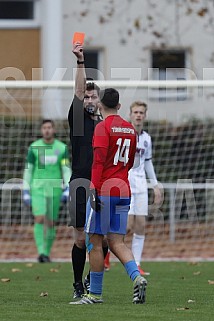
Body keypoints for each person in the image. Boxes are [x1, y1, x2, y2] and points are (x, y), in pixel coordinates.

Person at [71, 88, 147, 305]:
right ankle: (137, 276)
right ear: (120, 106)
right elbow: (131, 162)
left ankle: (94, 294)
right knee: (116, 241)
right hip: (123, 189)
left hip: (104, 190)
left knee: (93, 242)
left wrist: (93, 188)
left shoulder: (103, 127)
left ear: (101, 106)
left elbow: (98, 161)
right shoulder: (131, 130)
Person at [68, 41, 108, 299]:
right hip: (80, 183)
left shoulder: (106, 125)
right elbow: (79, 89)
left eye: (94, 96)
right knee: (81, 238)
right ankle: (77, 285)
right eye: (86, 96)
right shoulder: (78, 119)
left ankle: (91, 279)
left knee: (103, 241)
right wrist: (80, 61)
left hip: (103, 186)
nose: (89, 99)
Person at [23, 119, 71, 262]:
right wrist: (26, 190)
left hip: (54, 190)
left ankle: (47, 253)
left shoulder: (61, 148)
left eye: (49, 127)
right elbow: (28, 170)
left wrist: (68, 187)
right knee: (40, 218)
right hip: (37, 189)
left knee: (50, 222)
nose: (47, 130)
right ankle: (41, 252)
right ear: (41, 130)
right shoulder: (34, 147)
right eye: (44, 128)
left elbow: (65, 168)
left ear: (54, 130)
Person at [128, 101, 162, 275]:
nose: (138, 115)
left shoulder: (147, 139)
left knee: (140, 225)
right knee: (125, 226)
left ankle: (136, 264)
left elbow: (148, 163)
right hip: (124, 183)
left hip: (141, 185)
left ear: (145, 115)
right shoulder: (125, 134)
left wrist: (155, 185)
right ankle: (105, 256)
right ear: (130, 115)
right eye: (135, 112)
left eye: (141, 112)